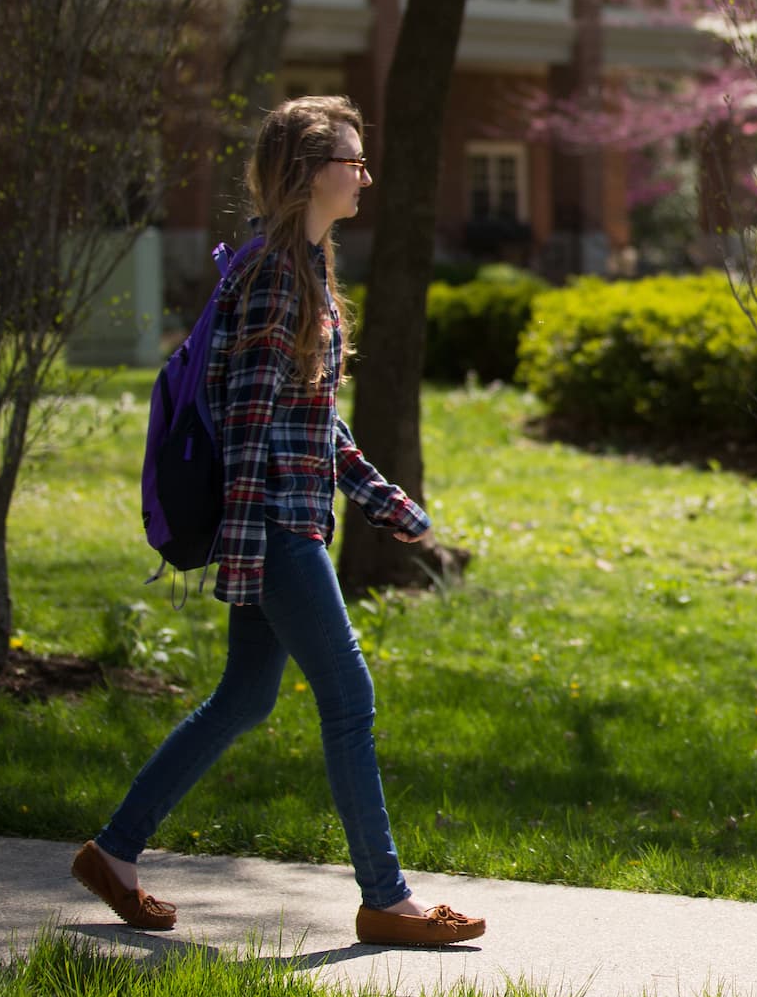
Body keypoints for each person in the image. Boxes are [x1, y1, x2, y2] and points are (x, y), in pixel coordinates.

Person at [73, 97, 486, 947]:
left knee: (243, 699)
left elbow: (311, 421)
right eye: (352, 160)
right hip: (277, 529)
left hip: (286, 520)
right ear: (308, 171)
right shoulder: (274, 277)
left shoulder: (299, 265)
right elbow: (251, 424)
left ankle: (113, 853)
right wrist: (259, 553)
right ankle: (386, 898)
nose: (364, 175)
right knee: (349, 698)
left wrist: (383, 503)